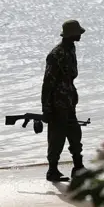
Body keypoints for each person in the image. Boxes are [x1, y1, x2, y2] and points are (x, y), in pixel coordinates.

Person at [41, 20, 87, 182]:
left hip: (69, 101)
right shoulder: (55, 55)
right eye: (78, 32)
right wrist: (46, 108)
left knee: (75, 134)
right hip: (57, 103)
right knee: (56, 138)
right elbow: (47, 83)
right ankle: (52, 170)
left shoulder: (71, 49)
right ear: (71, 34)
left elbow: (70, 77)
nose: (81, 35)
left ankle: (78, 167)